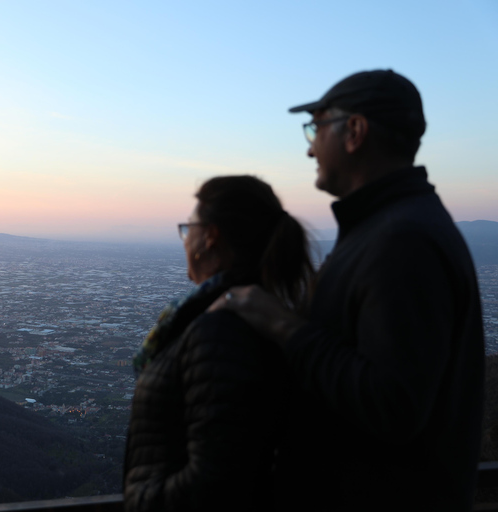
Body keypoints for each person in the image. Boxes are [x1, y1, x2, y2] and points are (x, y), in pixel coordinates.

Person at [216, 70, 485, 511]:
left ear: (354, 131)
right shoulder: (390, 228)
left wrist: (283, 326)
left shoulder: (402, 240)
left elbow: (392, 405)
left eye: (316, 128)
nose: (308, 148)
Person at [123, 175, 314, 512]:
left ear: (209, 237)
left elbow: (215, 482)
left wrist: (144, 500)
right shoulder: (242, 314)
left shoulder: (220, 331)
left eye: (188, 228)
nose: (184, 240)